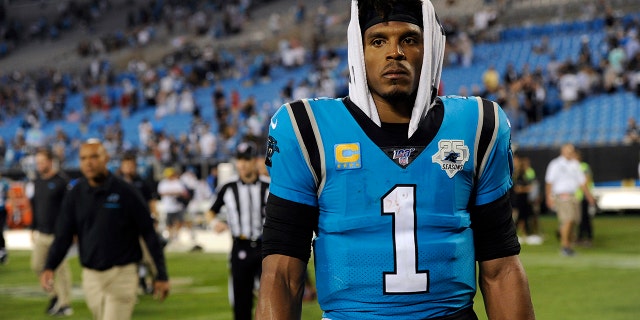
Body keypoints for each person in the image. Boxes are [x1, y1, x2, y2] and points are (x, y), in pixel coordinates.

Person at [256, 1, 535, 319]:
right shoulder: (307, 128)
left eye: (409, 39)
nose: (395, 53)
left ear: (429, 47)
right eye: (378, 41)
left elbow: (501, 268)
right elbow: (282, 274)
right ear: (357, 52)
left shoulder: (479, 124)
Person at [40, 139, 169, 320]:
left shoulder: (126, 192)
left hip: (122, 273)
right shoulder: (75, 195)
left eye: (94, 156)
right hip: (91, 276)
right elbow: (64, 235)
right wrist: (49, 266)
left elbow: (148, 232)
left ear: (106, 158)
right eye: (83, 158)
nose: (89, 162)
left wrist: (161, 274)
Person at [207, 141, 269, 320]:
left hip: (264, 246)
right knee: (241, 300)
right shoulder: (228, 187)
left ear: (255, 161)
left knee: (271, 297)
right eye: (239, 160)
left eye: (246, 160)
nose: (242, 164)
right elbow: (210, 211)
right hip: (240, 246)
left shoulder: (268, 186)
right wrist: (214, 224)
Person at [29, 148, 74, 316]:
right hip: (42, 233)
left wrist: (71, 231)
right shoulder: (37, 181)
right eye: (37, 162)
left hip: (59, 234)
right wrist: (33, 227)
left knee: (61, 270)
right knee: (37, 265)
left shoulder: (62, 181)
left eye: (42, 161)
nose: (39, 165)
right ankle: (55, 295)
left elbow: (70, 208)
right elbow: (36, 206)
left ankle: (65, 304)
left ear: (50, 161)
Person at [116, 152, 161, 295]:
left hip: (141, 226)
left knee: (148, 257)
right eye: (126, 165)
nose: (128, 168)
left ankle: (157, 280)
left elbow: (151, 201)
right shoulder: (116, 183)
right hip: (123, 227)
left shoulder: (142, 182)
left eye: (130, 165)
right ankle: (135, 283)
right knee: (127, 259)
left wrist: (154, 217)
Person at [545, 144, 595, 257]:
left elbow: (582, 182)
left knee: (574, 220)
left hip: (573, 196)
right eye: (567, 150)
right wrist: (549, 197)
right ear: (562, 151)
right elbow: (549, 182)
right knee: (568, 219)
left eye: (571, 151)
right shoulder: (555, 164)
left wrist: (589, 196)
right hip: (562, 196)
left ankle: (567, 242)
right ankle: (565, 246)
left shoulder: (575, 164)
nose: (569, 153)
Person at [157, 167, 190, 242]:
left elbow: (184, 193)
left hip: (178, 206)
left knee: (180, 221)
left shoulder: (178, 182)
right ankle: (171, 236)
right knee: (169, 223)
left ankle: (176, 235)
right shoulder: (163, 183)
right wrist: (174, 193)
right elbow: (161, 193)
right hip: (168, 207)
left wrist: (172, 193)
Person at [574, 150, 595, 247]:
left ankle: (588, 237)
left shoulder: (583, 166)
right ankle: (580, 237)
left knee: (585, 218)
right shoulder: (572, 167)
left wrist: (588, 195)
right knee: (579, 219)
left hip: (583, 196)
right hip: (576, 196)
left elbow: (586, 180)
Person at [0, 172, 10, 265]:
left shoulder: (4, 183)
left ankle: (3, 250)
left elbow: (10, 194)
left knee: (0, 231)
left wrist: (13, 208)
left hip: (2, 210)